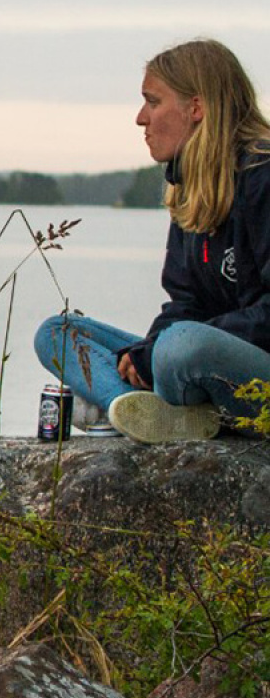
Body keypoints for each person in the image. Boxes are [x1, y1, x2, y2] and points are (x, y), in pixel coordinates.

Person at [34, 38, 270, 443]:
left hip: (250, 377)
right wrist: (144, 352)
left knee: (180, 345)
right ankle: (137, 409)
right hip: (197, 362)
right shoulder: (192, 184)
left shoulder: (262, 175)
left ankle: (127, 405)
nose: (141, 118)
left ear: (196, 108)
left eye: (153, 102)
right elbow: (185, 302)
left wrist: (161, 346)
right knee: (58, 333)